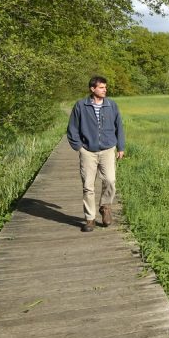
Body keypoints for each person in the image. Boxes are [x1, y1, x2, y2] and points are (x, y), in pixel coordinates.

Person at [66, 75, 125, 232]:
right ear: (92, 89)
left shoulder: (112, 105)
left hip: (108, 149)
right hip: (88, 151)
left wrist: (121, 147)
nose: (105, 90)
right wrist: (79, 148)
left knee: (110, 180)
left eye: (105, 87)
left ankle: (105, 207)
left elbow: (119, 126)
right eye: (101, 87)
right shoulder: (80, 106)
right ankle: (90, 219)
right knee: (88, 186)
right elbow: (72, 129)